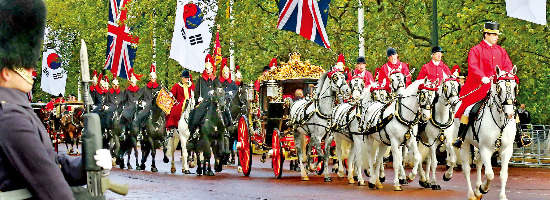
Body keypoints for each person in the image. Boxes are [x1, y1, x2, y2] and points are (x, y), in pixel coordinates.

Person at [0, 1, 111, 199]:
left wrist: (86, 163)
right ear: (6, 72)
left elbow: (50, 162)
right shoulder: (9, 117)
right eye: (25, 65)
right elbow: (53, 188)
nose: (32, 70)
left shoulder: (15, 109)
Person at [452, 21, 531, 148]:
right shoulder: (475, 50)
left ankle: (520, 136)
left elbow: (508, 66)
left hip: (498, 89)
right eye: (494, 35)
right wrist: (482, 77)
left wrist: (507, 77)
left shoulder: (501, 51)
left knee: (512, 109)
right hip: (479, 88)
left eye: (497, 35)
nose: (497, 37)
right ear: (486, 35)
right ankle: (460, 137)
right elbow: (473, 66)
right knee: (468, 110)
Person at [189, 54, 220, 133]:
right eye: (206, 69)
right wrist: (198, 98)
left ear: (212, 69)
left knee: (224, 112)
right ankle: (194, 131)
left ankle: (225, 130)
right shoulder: (200, 80)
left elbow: (219, 91)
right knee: (195, 113)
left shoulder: (216, 80)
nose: (208, 70)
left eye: (209, 69)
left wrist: (216, 95)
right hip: (203, 103)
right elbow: (196, 92)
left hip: (213, 103)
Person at [132, 64, 161, 137]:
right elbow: (140, 98)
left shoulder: (159, 87)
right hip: (148, 105)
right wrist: (141, 102)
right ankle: (140, 132)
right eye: (151, 78)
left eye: (154, 78)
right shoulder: (145, 88)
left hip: (157, 106)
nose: (153, 79)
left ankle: (167, 132)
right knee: (141, 115)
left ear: (156, 78)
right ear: (150, 79)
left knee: (165, 115)